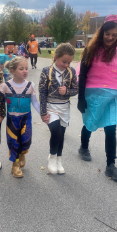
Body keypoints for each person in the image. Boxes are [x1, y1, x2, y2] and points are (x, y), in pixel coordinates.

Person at [76, 15, 117, 181]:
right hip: (93, 93)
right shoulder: (90, 50)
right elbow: (83, 75)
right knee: (90, 123)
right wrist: (80, 98)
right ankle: (83, 147)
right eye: (107, 33)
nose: (110, 37)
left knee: (111, 128)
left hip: (113, 94)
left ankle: (110, 165)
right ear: (102, 32)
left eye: (114, 35)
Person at [38, 43, 78, 175]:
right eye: (64, 62)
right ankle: (52, 157)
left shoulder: (71, 72)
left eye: (69, 62)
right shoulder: (46, 71)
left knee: (62, 134)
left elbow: (76, 89)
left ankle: (59, 160)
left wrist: (67, 92)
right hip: (51, 107)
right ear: (56, 57)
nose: (66, 65)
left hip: (64, 109)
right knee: (56, 133)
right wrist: (43, 112)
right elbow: (42, 92)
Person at [0, 56, 40, 178]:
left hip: (26, 118)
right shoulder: (5, 86)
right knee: (14, 141)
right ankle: (15, 165)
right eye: (21, 69)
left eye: (26, 68)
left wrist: (43, 114)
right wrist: (0, 115)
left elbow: (35, 102)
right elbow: (0, 103)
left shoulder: (30, 85)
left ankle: (22, 153)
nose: (25, 71)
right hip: (12, 120)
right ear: (13, 71)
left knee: (26, 140)